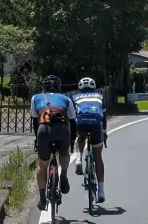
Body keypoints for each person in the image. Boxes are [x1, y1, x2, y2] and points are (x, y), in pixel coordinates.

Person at [30, 74, 77, 211]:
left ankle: (42, 199)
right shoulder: (66, 99)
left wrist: (37, 138)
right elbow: (73, 122)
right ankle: (63, 175)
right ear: (59, 87)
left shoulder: (36, 98)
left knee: (42, 165)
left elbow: (34, 120)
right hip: (62, 130)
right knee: (64, 152)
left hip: (44, 130)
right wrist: (72, 140)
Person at [72, 77, 107, 203]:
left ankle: (78, 160)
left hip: (81, 123)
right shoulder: (99, 97)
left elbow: (73, 115)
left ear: (80, 88)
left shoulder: (75, 97)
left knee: (80, 137)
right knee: (98, 158)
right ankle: (101, 192)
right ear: (94, 88)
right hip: (96, 124)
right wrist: (104, 132)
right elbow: (103, 117)